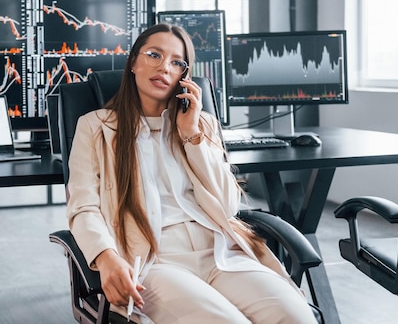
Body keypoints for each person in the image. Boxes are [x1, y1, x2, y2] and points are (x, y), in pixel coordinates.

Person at [66, 23, 317, 324]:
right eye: (154, 55)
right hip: (154, 260)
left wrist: (191, 135)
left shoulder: (201, 124)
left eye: (176, 62)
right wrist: (106, 258)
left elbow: (227, 206)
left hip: (220, 252)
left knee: (298, 318)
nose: (164, 68)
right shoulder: (96, 127)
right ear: (133, 62)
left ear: (184, 75)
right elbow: (83, 207)